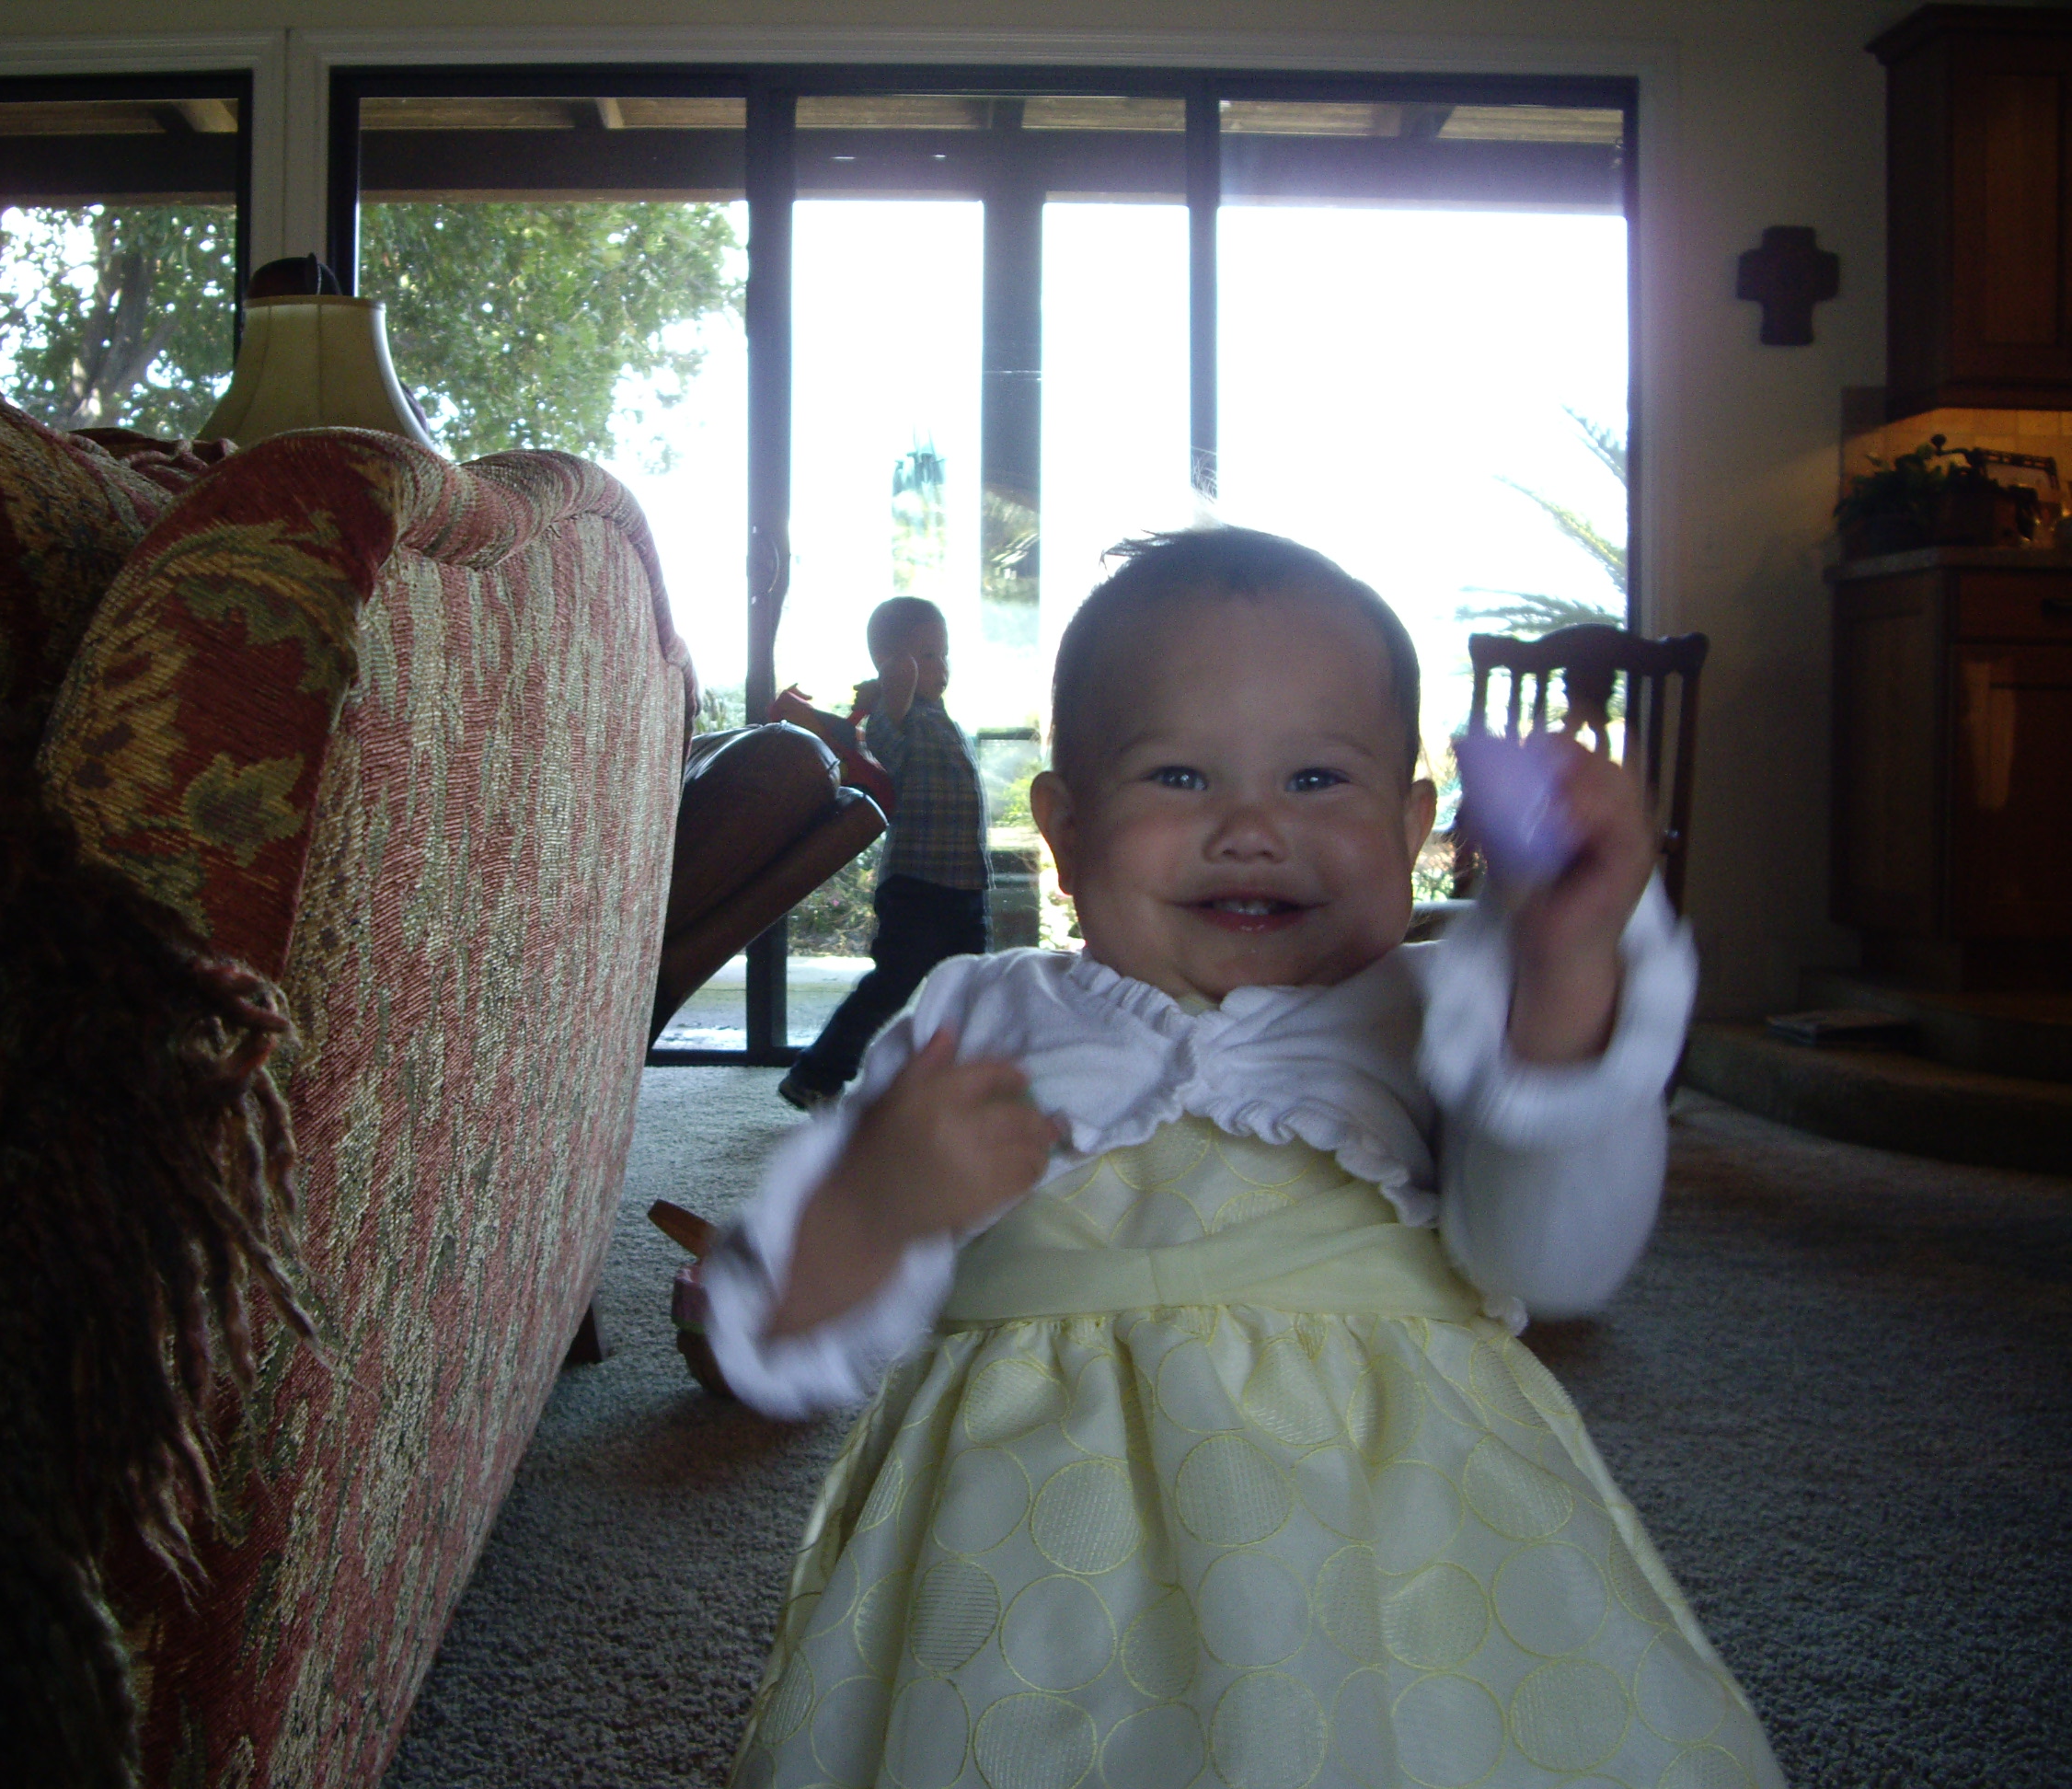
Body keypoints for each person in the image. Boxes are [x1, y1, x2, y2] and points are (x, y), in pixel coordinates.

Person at [701, 529, 1785, 1789]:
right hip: (1030, 1597)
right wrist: (873, 1206)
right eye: (1179, 776)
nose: (1253, 828)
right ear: (1064, 828)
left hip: (1403, 1568)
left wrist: (1566, 988)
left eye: (1318, 779)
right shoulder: (975, 1017)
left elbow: (1560, 1259)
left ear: (1416, 825)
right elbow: (771, 1333)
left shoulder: (1444, 1013)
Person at [773, 595, 990, 1112]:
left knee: (971, 993)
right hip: (918, 888)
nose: (940, 667)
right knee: (891, 986)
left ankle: (957, 1088)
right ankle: (815, 1075)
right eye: (925, 655)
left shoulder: (942, 721)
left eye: (943, 654)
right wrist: (894, 677)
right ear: (891, 663)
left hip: (965, 887)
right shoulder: (896, 722)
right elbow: (895, 693)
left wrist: (910, 666)